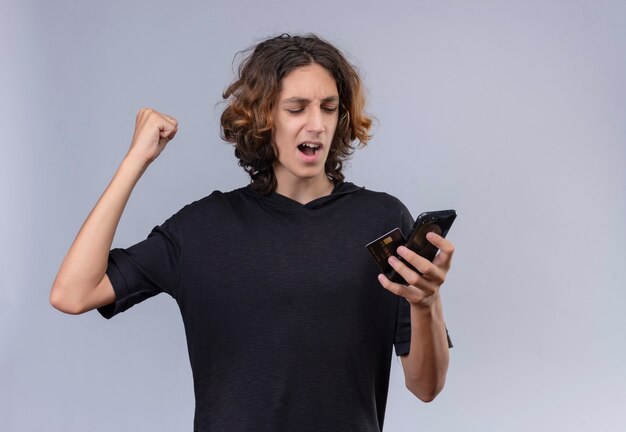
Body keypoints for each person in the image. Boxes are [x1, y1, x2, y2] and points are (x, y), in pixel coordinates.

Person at [50, 33, 455, 432]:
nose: (317, 124)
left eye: (329, 108)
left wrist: (426, 303)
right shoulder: (202, 228)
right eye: (296, 109)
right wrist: (135, 160)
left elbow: (425, 387)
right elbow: (73, 293)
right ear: (264, 117)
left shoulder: (382, 218)